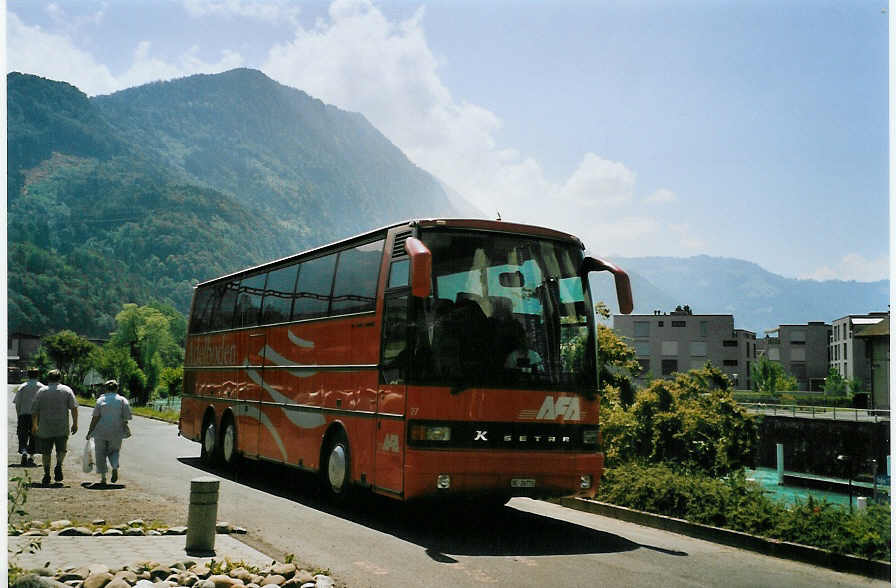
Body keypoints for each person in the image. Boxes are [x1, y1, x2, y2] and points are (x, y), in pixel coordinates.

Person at [31, 369, 78, 486]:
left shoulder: (41, 391)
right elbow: (74, 408)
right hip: (61, 426)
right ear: (60, 378)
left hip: (45, 426)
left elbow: (34, 410)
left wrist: (34, 425)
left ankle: (47, 473)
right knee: (61, 449)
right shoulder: (67, 390)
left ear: (48, 379)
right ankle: (58, 465)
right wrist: (75, 423)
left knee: (46, 452)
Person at [85, 379, 132, 486]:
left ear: (105, 389)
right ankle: (114, 467)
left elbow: (95, 418)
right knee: (114, 451)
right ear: (117, 388)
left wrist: (90, 431)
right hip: (116, 431)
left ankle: (103, 478)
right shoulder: (122, 400)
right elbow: (127, 418)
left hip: (100, 431)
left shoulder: (101, 400)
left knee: (100, 453)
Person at [13, 368, 44, 466]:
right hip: (37, 416)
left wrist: (19, 414)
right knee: (34, 436)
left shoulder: (22, 387)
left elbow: (17, 403)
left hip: (24, 414)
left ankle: (24, 451)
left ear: (28, 375)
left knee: (22, 435)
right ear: (38, 375)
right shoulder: (42, 387)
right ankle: (31, 456)